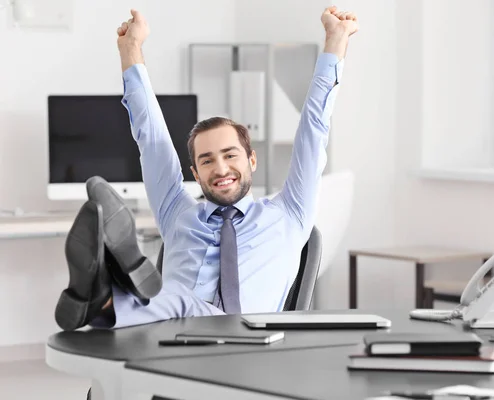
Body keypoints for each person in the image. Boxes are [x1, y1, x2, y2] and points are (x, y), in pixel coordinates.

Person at [54, 6, 358, 331]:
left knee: (178, 300)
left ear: (251, 160)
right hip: (169, 343)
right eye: (207, 160)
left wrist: (335, 41)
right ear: (195, 174)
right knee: (171, 306)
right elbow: (151, 137)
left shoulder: (289, 214)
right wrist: (131, 48)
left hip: (247, 347)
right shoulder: (177, 215)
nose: (220, 168)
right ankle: (104, 299)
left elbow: (314, 129)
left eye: (230, 155)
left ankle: (108, 294)